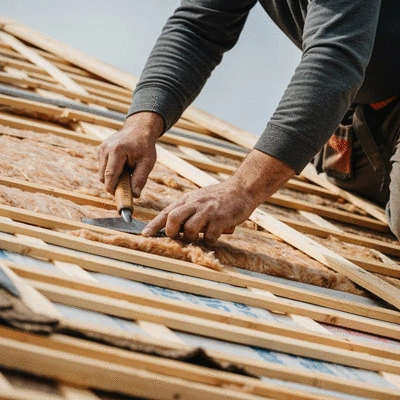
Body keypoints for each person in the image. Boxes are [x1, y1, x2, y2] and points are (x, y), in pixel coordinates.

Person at [98, 0, 400, 246]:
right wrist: (141, 124)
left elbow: (334, 62)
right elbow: (198, 28)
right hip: (362, 116)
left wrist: (242, 190)